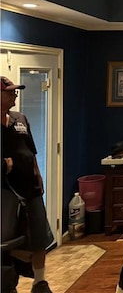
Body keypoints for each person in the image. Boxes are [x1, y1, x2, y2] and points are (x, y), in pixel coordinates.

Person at [1, 76, 54, 293]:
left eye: (15, 91)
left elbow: (30, 151)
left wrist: (38, 174)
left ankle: (39, 282)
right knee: (6, 242)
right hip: (5, 192)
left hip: (30, 189)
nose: (15, 95)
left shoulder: (20, 118)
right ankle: (7, 284)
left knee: (39, 235)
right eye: (10, 92)